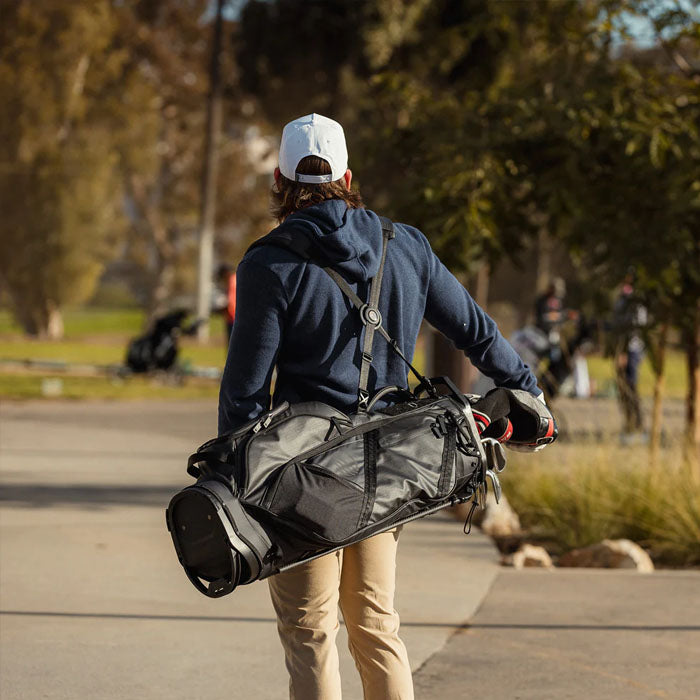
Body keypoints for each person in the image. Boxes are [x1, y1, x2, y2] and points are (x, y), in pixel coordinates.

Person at [218, 113, 543, 700]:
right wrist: (529, 393)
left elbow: (244, 392)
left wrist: (236, 480)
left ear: (278, 179)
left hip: (300, 478)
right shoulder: (405, 246)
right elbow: (476, 331)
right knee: (375, 625)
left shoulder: (268, 265)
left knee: (311, 630)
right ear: (348, 175)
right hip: (387, 469)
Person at [612, 268, 647, 436]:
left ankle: (636, 422)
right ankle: (629, 421)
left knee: (630, 387)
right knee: (622, 388)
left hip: (631, 350)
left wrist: (624, 352)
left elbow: (633, 328)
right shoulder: (622, 300)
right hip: (623, 350)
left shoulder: (634, 302)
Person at [214, 263, 237, 344]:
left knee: (233, 345)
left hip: (234, 319)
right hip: (233, 318)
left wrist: (221, 309)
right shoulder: (235, 279)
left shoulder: (232, 281)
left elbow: (231, 304)